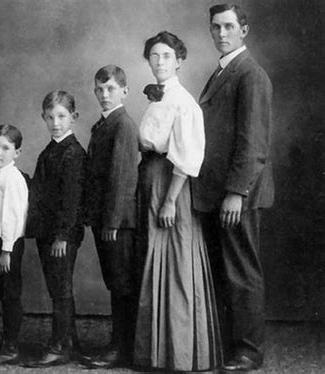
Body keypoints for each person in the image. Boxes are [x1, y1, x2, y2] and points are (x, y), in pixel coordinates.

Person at [191, 4, 274, 372]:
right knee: (226, 270)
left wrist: (236, 192)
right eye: (215, 27)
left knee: (241, 272)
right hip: (217, 192)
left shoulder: (250, 74)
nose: (221, 34)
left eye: (228, 26)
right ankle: (231, 347)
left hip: (238, 194)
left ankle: (249, 352)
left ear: (244, 30)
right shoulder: (223, 71)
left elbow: (253, 142)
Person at [133, 31, 221, 372]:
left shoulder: (184, 102)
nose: (159, 62)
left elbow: (186, 157)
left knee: (174, 264)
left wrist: (169, 201)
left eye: (166, 56)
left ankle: (181, 354)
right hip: (152, 178)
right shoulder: (158, 98)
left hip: (172, 185)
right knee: (156, 261)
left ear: (179, 60)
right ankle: (156, 351)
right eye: (154, 56)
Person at [25, 90, 86, 367]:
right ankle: (70, 340)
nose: (56, 122)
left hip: (62, 235)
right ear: (43, 118)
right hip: (47, 233)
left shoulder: (73, 153)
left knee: (61, 288)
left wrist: (63, 235)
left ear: (73, 117)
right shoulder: (49, 151)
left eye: (61, 116)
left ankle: (60, 344)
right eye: (50, 117)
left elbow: (72, 201)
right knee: (57, 287)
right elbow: (39, 190)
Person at [84, 65, 139, 368]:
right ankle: (119, 343)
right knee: (115, 282)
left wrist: (112, 222)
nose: (104, 95)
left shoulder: (123, 125)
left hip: (117, 222)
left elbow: (122, 178)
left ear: (124, 92)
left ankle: (123, 348)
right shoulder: (102, 125)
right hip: (105, 219)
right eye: (100, 89)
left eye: (111, 89)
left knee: (121, 284)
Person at [0, 124, 29, 365]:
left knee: (10, 294)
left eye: (5, 148)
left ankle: (10, 346)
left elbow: (13, 216)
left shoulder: (12, 179)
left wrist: (6, 250)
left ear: (16, 153)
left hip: (7, 244)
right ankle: (6, 341)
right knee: (2, 292)